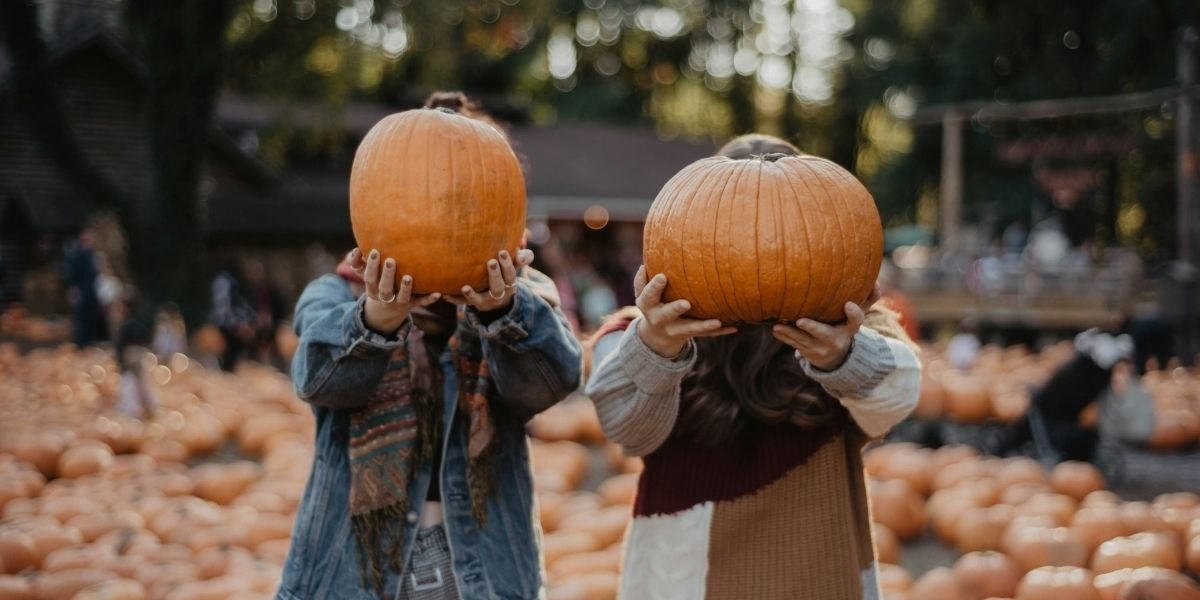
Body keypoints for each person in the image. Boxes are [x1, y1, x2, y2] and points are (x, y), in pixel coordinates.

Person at [584, 134, 921, 600]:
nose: (761, 246)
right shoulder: (634, 337)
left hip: (816, 580)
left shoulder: (850, 332)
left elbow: (896, 401)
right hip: (685, 584)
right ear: (699, 235)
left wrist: (841, 357)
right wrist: (656, 347)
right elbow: (627, 432)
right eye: (739, 231)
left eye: (782, 231)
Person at [277, 91, 583, 600]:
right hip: (355, 571)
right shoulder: (336, 297)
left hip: (482, 569)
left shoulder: (524, 300)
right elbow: (318, 380)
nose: (443, 216)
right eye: (423, 197)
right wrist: (376, 321)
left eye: (465, 203)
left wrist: (500, 313)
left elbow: (550, 383)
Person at [209, 263, 255, 371]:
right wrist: (236, 324)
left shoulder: (229, 282)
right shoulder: (225, 282)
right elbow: (224, 306)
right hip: (228, 326)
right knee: (228, 357)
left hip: (229, 325)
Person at [63, 229, 102, 347]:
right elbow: (71, 275)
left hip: (90, 292)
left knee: (89, 319)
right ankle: (80, 344)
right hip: (80, 292)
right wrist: (73, 289)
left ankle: (88, 343)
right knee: (81, 320)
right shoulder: (76, 256)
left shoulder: (92, 255)